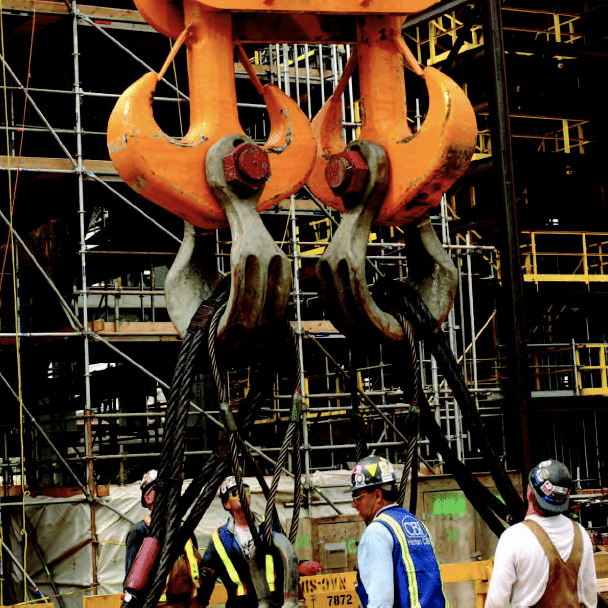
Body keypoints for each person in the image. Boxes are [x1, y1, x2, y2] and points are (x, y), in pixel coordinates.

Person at [485, 459, 597, 608]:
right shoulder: (581, 534)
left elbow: (496, 603)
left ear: (529, 492)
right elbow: (590, 600)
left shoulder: (513, 538)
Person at [349, 455, 449, 608]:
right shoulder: (415, 524)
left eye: (358, 497)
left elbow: (381, 602)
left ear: (377, 495)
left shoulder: (377, 532)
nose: (353, 505)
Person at [198, 476, 282, 608]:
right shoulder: (220, 537)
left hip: (273, 600)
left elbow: (287, 555)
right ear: (226, 504)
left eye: (245, 490)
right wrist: (198, 603)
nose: (242, 494)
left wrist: (302, 565)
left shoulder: (269, 525)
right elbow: (207, 574)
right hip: (241, 604)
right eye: (235, 493)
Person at [124, 469, 202, 608]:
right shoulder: (140, 532)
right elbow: (132, 586)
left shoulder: (186, 530)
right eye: (158, 489)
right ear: (147, 499)